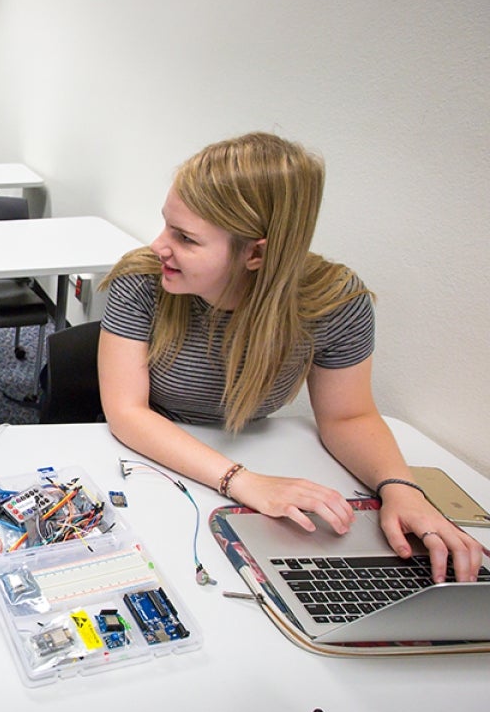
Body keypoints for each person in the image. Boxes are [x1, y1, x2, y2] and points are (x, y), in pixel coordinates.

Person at [97, 131, 485, 583]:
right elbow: (127, 413)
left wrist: (401, 489)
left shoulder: (332, 301)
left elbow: (349, 417)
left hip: (249, 452)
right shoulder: (143, 279)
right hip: (156, 462)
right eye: (167, 224)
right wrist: (244, 483)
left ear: (256, 253)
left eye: (185, 238)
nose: (158, 245)